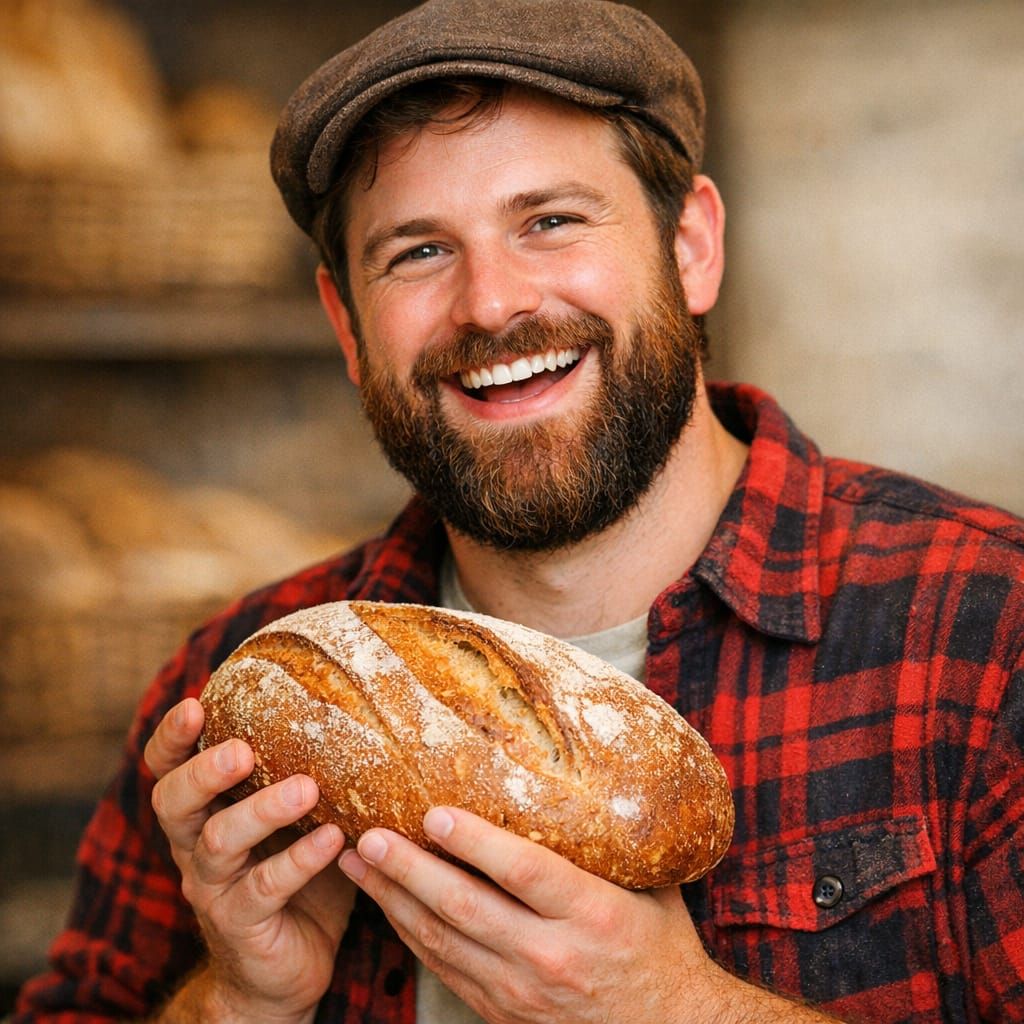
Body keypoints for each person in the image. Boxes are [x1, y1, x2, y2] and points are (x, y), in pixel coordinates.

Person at [12, 0, 1024, 1021]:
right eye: (417, 252)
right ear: (348, 329)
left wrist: (678, 1006)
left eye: (550, 221)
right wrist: (239, 1000)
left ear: (692, 248)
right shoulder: (234, 701)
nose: (491, 303)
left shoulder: (984, 639)